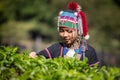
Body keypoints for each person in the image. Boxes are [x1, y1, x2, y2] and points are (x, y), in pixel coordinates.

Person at [29, 2, 100, 66]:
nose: (65, 35)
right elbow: (39, 57)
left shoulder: (89, 52)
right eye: (61, 31)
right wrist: (33, 55)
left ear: (78, 31)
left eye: (69, 31)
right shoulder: (56, 48)